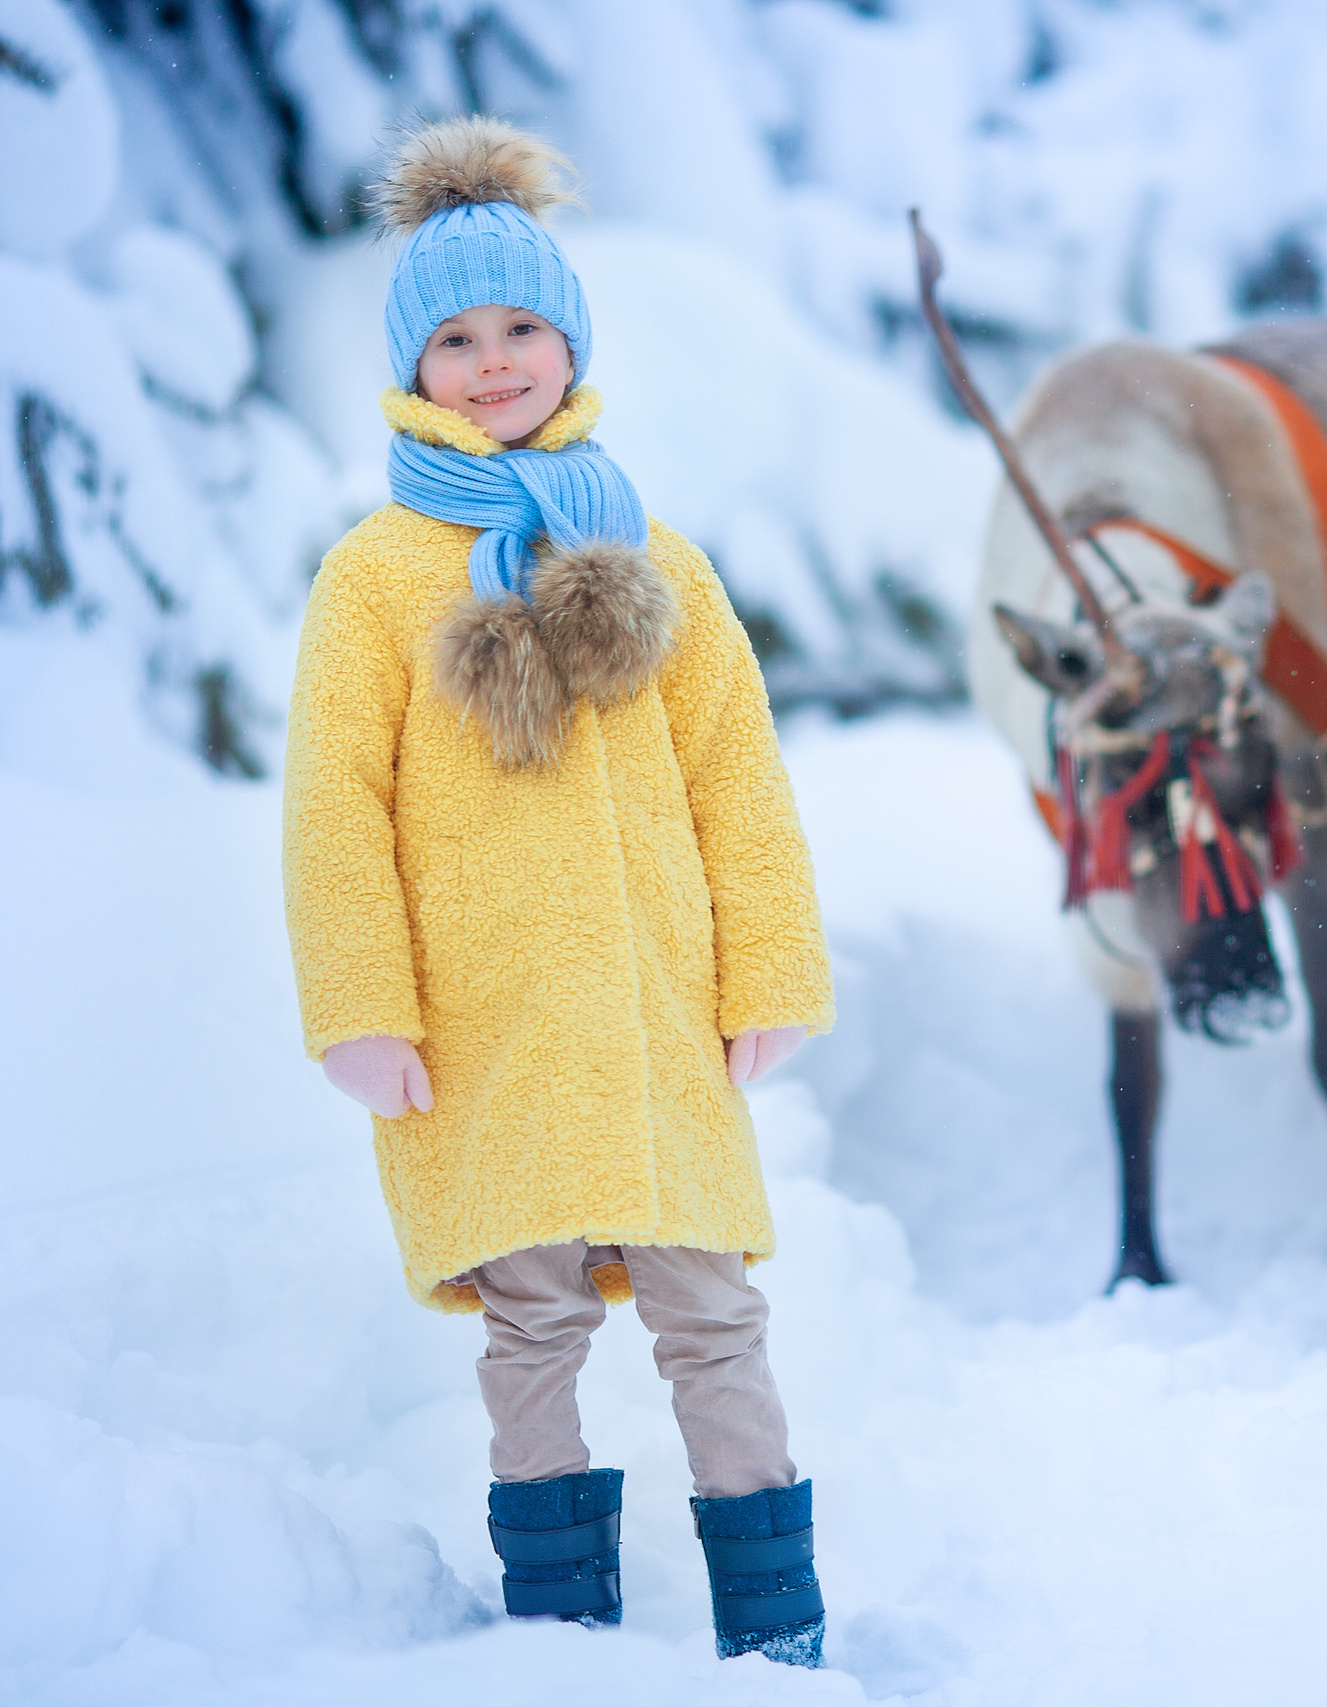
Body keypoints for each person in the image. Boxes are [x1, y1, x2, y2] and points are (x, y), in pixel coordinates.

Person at [280, 116, 832, 1667]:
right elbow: (337, 810)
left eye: (522, 327)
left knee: (713, 1317)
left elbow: (738, 775)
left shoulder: (657, 556)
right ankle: (559, 1643)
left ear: (569, 340)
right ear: (413, 368)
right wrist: (360, 1008)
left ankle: (778, 1637)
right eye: (456, 338)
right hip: (489, 1024)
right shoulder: (379, 576)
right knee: (532, 1327)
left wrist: (769, 971)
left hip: (656, 1021)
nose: (495, 360)